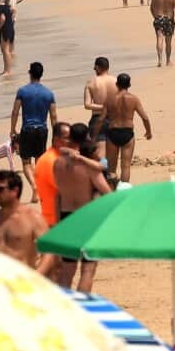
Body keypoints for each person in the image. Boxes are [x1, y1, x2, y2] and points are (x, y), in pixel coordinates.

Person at [54, 123, 113, 292]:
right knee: (88, 269)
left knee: (67, 270)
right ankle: (82, 309)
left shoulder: (57, 163)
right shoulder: (88, 166)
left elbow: (57, 195)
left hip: (66, 217)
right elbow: (107, 193)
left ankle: (64, 308)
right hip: (86, 218)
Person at [0, 170, 56, 276]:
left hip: (22, 280)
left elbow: (49, 251)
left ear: (15, 191)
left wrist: (37, 275)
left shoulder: (33, 218)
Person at [12, 62, 57, 202]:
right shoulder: (49, 94)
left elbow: (15, 111)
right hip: (42, 130)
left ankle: (34, 187)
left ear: (30, 73)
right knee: (39, 161)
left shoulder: (22, 91)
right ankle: (40, 187)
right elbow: (53, 116)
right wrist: (56, 135)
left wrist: (12, 129)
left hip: (27, 129)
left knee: (26, 162)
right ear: (41, 74)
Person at [102, 74, 153, 185]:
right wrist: (148, 132)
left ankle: (112, 190)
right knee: (125, 166)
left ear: (116, 84)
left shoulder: (110, 99)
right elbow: (145, 117)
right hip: (127, 133)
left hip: (112, 133)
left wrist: (96, 134)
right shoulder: (133, 99)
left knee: (111, 168)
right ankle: (124, 190)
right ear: (129, 84)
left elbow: (101, 118)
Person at [34, 122, 70, 227]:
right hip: (55, 221)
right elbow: (66, 189)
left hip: (61, 217)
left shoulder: (59, 156)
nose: (72, 141)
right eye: (68, 138)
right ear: (56, 140)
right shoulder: (50, 161)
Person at [84, 56, 116, 142]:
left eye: (95, 68)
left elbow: (87, 105)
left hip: (97, 118)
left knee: (99, 151)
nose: (94, 70)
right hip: (115, 118)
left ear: (98, 67)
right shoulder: (116, 81)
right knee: (114, 150)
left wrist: (103, 107)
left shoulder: (91, 83)